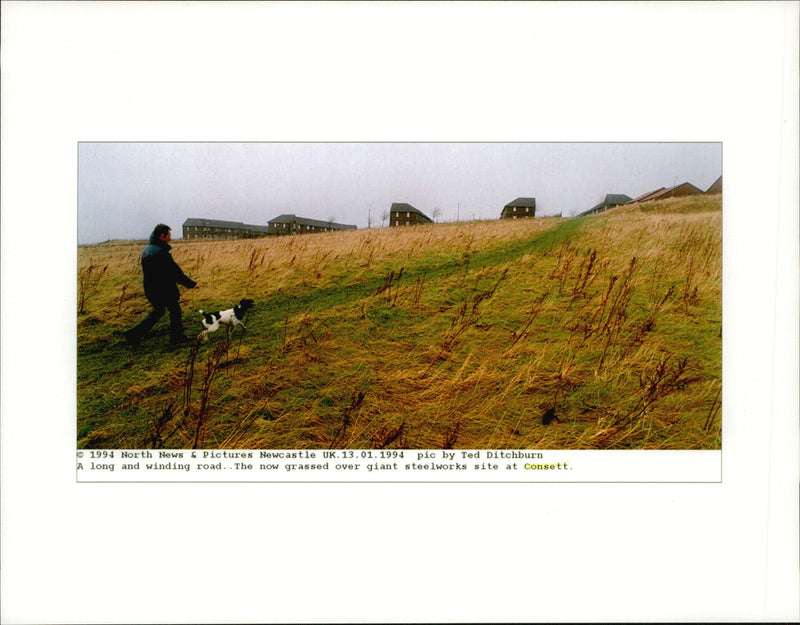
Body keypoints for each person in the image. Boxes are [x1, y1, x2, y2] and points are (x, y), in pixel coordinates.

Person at [124, 224, 198, 346]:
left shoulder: (148, 249)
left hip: (151, 288)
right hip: (163, 289)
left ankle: (133, 334)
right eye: (168, 235)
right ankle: (177, 338)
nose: (170, 239)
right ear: (162, 236)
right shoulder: (161, 253)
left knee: (158, 311)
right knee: (174, 310)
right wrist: (191, 284)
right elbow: (174, 272)